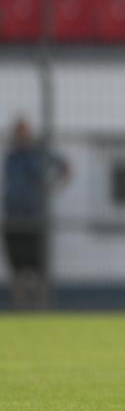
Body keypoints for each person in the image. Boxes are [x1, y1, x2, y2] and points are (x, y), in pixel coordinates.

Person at [2, 117, 70, 310]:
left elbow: (65, 167)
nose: (20, 136)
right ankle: (20, 307)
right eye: (17, 132)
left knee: (39, 266)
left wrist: (53, 188)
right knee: (17, 268)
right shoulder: (12, 156)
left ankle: (41, 307)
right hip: (13, 218)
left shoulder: (39, 154)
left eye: (23, 132)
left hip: (35, 218)